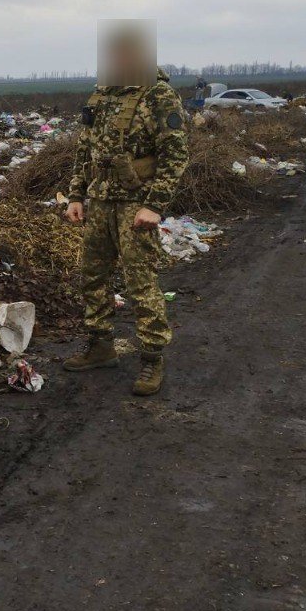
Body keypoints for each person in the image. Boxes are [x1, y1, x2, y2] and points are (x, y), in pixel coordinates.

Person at [63, 35, 188, 396]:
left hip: (137, 203)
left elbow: (175, 154)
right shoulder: (100, 95)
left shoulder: (158, 95)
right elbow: (83, 149)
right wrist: (76, 194)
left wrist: (156, 205)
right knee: (91, 276)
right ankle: (101, 345)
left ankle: (151, 358)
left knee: (140, 282)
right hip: (100, 201)